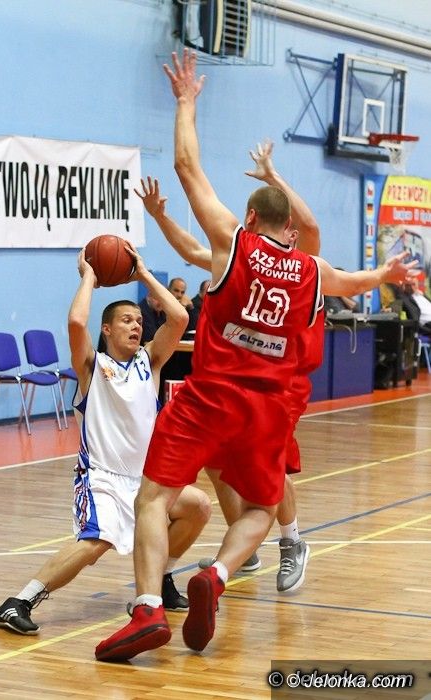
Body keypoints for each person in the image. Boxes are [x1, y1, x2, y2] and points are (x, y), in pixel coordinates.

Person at [94, 49, 417, 662]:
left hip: (209, 396)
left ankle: (147, 609)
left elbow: (187, 166)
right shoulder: (313, 271)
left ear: (249, 217)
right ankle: (217, 575)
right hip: (268, 409)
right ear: (289, 226)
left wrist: (186, 102)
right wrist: (384, 273)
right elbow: (354, 281)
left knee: (153, 499)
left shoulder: (233, 244)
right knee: (263, 509)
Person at [0, 243, 211, 635]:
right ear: (107, 329)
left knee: (198, 507)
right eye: (126, 320)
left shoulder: (149, 361)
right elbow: (77, 323)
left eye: (138, 321)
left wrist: (143, 274)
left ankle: (160, 578)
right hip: (102, 478)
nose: (136, 326)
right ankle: (18, 601)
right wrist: (90, 277)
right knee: (96, 543)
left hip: (145, 481)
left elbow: (178, 316)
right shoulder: (92, 366)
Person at [134, 139, 319, 592]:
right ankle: (245, 547)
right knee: (217, 462)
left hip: (283, 381)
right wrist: (160, 218)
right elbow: (195, 251)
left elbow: (310, 224)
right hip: (237, 380)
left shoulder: (307, 263)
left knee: (272, 470)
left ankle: (292, 541)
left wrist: (273, 177)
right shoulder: (246, 256)